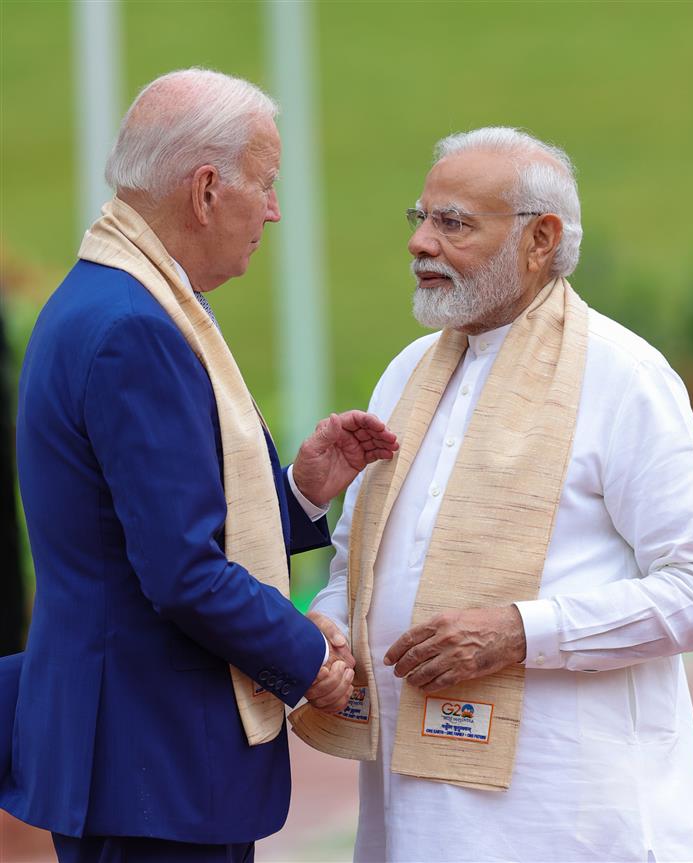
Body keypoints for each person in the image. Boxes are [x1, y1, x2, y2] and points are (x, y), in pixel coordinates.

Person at [291, 127, 693, 863]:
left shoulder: (623, 375)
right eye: (421, 219)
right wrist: (331, 628)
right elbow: (359, 571)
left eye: (453, 223)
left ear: (541, 238)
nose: (421, 244)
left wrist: (522, 631)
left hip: (569, 813)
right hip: (414, 806)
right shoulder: (409, 374)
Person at [0, 68, 398, 863]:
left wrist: (301, 493)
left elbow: (156, 522)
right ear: (208, 189)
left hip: (128, 751)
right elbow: (181, 569)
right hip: (150, 760)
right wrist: (309, 657)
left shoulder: (111, 295)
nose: (276, 209)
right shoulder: (135, 327)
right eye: (268, 183)